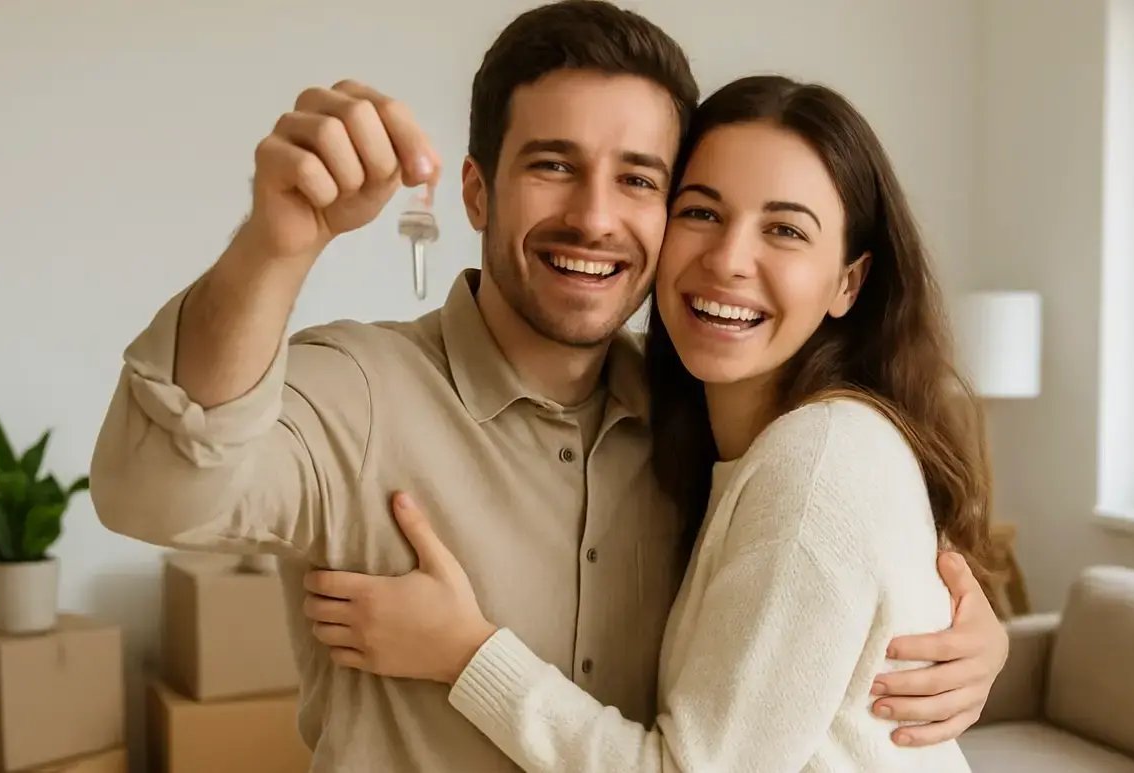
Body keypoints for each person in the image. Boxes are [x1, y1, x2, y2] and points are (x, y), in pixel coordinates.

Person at [89, 2, 1006, 770]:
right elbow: (152, 492)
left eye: (639, 179)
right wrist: (275, 245)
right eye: (554, 165)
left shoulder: (703, 420)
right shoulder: (360, 390)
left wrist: (961, 633)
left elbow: (821, 559)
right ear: (477, 192)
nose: (595, 217)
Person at [302, 73, 990, 771]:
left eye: (784, 230)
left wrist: (464, 654)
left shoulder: (817, 461)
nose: (728, 260)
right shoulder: (702, 432)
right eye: (701, 212)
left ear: (849, 281)